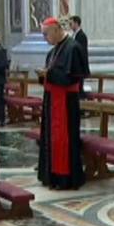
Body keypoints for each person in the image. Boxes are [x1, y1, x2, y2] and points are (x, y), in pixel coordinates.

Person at [36, 17, 86, 190]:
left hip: (66, 104)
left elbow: (73, 78)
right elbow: (51, 74)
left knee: (65, 141)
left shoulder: (73, 48)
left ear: (56, 29)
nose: (45, 38)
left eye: (46, 34)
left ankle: (66, 178)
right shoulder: (53, 51)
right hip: (52, 102)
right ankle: (52, 176)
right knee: (51, 139)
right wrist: (43, 75)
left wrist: (48, 75)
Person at [69, 15, 90, 96]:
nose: (70, 26)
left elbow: (82, 52)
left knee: (79, 90)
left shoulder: (81, 36)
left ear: (76, 23)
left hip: (79, 68)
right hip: (75, 68)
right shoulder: (74, 35)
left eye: (71, 23)